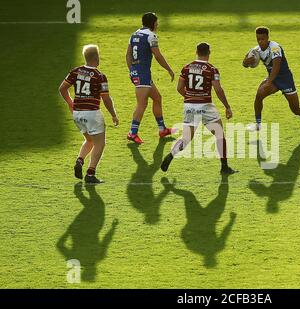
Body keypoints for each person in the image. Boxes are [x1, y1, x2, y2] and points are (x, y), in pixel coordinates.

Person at [160, 42, 236, 175]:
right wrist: (227, 107)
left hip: (189, 106)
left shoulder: (186, 68)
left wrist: (190, 97)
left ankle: (171, 154)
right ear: (209, 53)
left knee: (186, 138)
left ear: (196, 51)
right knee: (219, 135)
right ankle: (224, 167)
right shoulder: (211, 69)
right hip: (206, 106)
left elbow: (179, 88)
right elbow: (218, 89)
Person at [59, 44, 119, 183]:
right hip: (92, 114)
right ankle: (90, 174)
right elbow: (106, 98)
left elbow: (62, 88)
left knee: (90, 140)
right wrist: (113, 114)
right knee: (100, 143)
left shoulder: (75, 71)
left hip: (77, 114)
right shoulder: (100, 76)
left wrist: (70, 102)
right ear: (96, 58)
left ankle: (80, 160)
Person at [242, 26, 300, 132]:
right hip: (274, 80)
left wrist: (269, 82)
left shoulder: (275, 47)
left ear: (268, 37)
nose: (260, 41)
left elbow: (276, 66)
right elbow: (245, 64)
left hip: (285, 80)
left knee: (295, 109)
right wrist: (246, 62)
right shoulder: (255, 50)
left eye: (262, 39)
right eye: (258, 39)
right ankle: (258, 124)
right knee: (259, 95)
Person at [126, 12, 176, 144]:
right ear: (153, 23)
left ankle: (162, 129)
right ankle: (132, 132)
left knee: (157, 98)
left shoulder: (134, 34)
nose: (158, 24)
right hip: (143, 74)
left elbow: (128, 55)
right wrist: (169, 69)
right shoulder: (151, 36)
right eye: (157, 22)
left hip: (139, 73)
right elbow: (158, 56)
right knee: (142, 104)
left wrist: (131, 70)